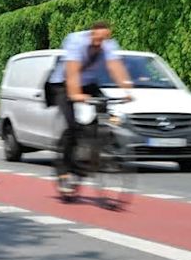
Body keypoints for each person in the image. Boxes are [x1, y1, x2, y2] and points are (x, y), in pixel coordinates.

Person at [47, 21, 133, 193]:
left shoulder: (108, 46)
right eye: (97, 38)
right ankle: (64, 172)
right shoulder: (76, 41)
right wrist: (75, 95)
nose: (100, 42)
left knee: (102, 116)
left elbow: (116, 67)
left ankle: (95, 158)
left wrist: (127, 88)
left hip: (89, 85)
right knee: (72, 127)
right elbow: (72, 72)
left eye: (104, 39)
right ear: (92, 33)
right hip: (62, 84)